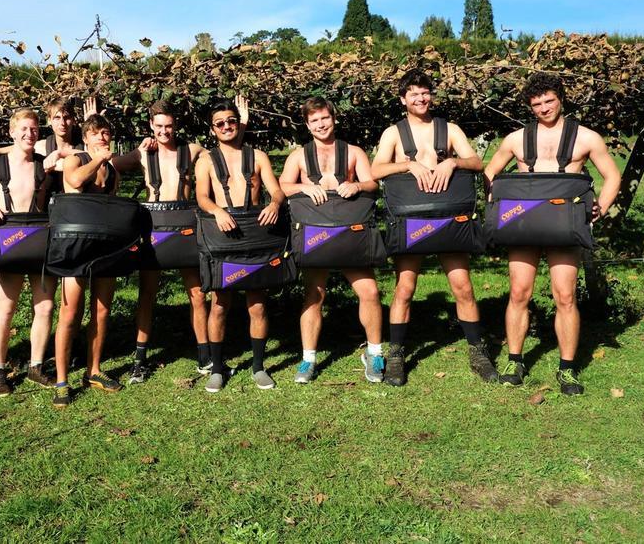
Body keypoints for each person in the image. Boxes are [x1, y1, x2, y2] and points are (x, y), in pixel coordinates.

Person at [483, 72, 621, 395]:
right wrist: (495, 204)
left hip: (565, 227)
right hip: (524, 226)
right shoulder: (516, 140)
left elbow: (612, 176)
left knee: (565, 295)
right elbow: (490, 172)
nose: (544, 107)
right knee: (519, 292)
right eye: (537, 103)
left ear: (561, 98)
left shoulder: (587, 138)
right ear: (529, 106)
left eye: (549, 100)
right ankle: (514, 360)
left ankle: (568, 368)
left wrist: (599, 207)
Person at [370, 70, 498, 386]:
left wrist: (452, 162)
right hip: (411, 222)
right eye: (413, 93)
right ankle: (397, 355)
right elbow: (375, 171)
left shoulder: (449, 129)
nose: (421, 98)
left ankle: (478, 352)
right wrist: (408, 164)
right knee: (405, 288)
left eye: (425, 92)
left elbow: (477, 162)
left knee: (464, 287)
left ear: (431, 95)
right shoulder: (393, 134)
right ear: (403, 99)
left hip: (449, 220)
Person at [279, 97, 384, 384]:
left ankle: (374, 353)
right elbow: (283, 187)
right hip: (316, 235)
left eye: (325, 118)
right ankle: (308, 359)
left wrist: (357, 184)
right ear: (307, 124)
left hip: (350, 234)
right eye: (314, 120)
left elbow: (373, 184)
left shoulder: (353, 152)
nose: (321, 124)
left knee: (370, 292)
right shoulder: (299, 156)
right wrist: (303, 186)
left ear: (333, 118)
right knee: (314, 296)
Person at [108, 100, 209, 382]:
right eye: (159, 126)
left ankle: (204, 355)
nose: (165, 131)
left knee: (197, 293)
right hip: (153, 225)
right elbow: (106, 164)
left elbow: (226, 155)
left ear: (176, 125)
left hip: (185, 224)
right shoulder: (143, 154)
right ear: (151, 126)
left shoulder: (192, 150)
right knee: (147, 294)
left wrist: (244, 125)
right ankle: (139, 358)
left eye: (169, 126)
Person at [195, 98, 286, 393]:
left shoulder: (258, 156)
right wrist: (217, 211)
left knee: (257, 304)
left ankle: (259, 367)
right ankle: (217, 369)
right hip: (224, 234)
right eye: (220, 123)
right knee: (219, 304)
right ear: (212, 129)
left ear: (239, 122)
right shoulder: (207, 160)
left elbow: (276, 190)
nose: (226, 126)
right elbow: (202, 196)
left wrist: (274, 203)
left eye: (231, 121)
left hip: (256, 234)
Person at [0, 108, 56, 396]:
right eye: (24, 129)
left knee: (44, 307)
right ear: (12, 132)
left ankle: (36, 366)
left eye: (34, 129)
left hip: (40, 242)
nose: (30, 134)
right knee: (5, 308)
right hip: (10, 242)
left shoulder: (47, 165)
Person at [52, 114, 126, 407]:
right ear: (85, 138)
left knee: (102, 311)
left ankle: (93, 370)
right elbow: (75, 181)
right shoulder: (75, 160)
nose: (101, 138)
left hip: (105, 247)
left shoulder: (113, 171)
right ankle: (61, 380)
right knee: (70, 314)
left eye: (105, 133)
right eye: (95, 133)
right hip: (75, 247)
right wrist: (97, 160)